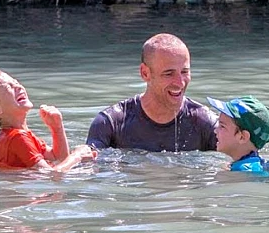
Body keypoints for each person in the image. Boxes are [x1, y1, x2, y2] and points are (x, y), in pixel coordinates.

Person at [86, 33, 217, 152]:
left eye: (184, 72)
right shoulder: (111, 123)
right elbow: (90, 167)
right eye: (169, 73)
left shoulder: (204, 123)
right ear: (145, 73)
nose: (180, 82)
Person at [0, 69, 97, 171]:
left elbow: (58, 158)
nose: (18, 86)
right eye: (9, 87)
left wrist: (57, 128)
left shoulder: (20, 134)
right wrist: (77, 156)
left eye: (16, 82)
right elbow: (51, 176)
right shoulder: (17, 137)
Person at [206, 95, 269, 176]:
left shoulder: (243, 173)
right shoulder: (252, 165)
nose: (215, 130)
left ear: (242, 137)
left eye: (222, 126)